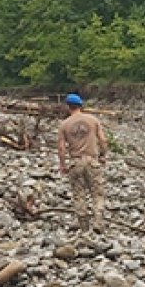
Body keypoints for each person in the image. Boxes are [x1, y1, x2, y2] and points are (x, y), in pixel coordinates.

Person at [58, 93, 109, 232]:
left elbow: (62, 147)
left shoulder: (64, 124)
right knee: (97, 193)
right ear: (81, 105)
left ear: (68, 106)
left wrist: (63, 164)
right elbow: (103, 140)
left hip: (76, 162)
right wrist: (103, 155)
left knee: (79, 194)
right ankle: (98, 221)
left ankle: (84, 226)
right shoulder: (93, 120)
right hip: (92, 160)